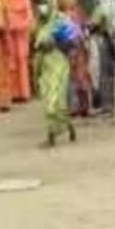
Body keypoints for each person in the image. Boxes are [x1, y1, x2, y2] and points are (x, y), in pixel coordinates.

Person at [34, 13, 78, 148]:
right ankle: (69, 126)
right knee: (51, 101)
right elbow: (37, 49)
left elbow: (71, 42)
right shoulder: (40, 26)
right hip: (45, 66)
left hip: (58, 65)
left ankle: (51, 136)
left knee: (53, 103)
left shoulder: (59, 23)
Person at [88, 0, 115, 116]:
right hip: (110, 43)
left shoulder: (100, 9)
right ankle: (108, 105)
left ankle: (105, 106)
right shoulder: (112, 10)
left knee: (101, 75)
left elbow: (92, 25)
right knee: (108, 75)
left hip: (101, 43)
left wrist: (87, 25)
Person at [2, 0, 35, 102]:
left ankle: (24, 93)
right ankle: (12, 93)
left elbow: (30, 19)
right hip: (9, 35)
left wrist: (18, 25)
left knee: (22, 62)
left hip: (21, 36)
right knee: (10, 63)